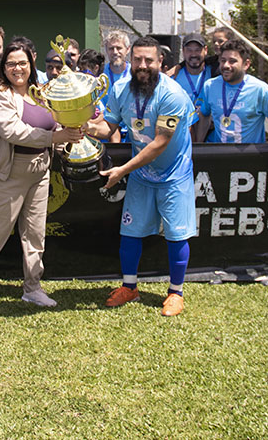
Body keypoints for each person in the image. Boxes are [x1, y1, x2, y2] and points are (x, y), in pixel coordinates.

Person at [0, 40, 83, 313]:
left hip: (40, 172)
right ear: (4, 67)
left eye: (22, 63)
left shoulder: (42, 94)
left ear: (31, 64)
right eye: (11, 63)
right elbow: (14, 131)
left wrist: (70, 138)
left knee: (35, 233)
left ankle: (32, 288)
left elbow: (56, 125)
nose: (18, 68)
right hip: (7, 173)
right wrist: (54, 136)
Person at [83, 37, 196, 317]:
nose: (142, 66)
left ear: (160, 63)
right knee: (130, 232)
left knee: (176, 234)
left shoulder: (174, 95)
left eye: (149, 60)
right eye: (137, 60)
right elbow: (108, 125)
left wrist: (122, 170)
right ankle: (129, 287)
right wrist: (83, 126)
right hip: (141, 175)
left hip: (173, 175)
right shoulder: (121, 88)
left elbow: (160, 143)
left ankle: (175, 292)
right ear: (130, 61)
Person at [195, 40, 268, 179]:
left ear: (246, 64)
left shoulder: (260, 89)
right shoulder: (210, 86)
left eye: (232, 61)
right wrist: (199, 147)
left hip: (250, 160)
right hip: (218, 158)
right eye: (223, 60)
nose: (226, 66)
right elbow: (204, 115)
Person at [173, 33, 211, 129]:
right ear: (183, 51)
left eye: (198, 50)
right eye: (189, 50)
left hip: (210, 134)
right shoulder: (173, 78)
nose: (193, 54)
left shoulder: (215, 73)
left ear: (205, 50)